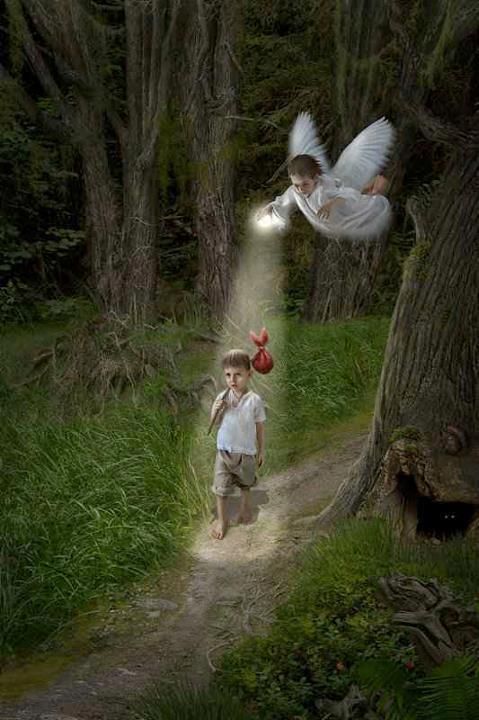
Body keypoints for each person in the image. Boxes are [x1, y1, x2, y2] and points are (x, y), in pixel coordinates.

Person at [256, 114, 394, 241]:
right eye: (296, 185)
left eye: (305, 184)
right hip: (331, 229)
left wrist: (331, 204)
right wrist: (269, 210)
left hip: (351, 218)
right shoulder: (296, 191)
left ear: (315, 178)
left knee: (354, 155)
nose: (300, 189)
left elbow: (348, 194)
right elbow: (283, 203)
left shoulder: (327, 186)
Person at [210, 349, 266, 540]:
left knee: (245, 483)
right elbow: (215, 423)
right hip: (224, 450)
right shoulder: (222, 397)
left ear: (249, 374)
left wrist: (261, 451)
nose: (232, 380)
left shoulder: (254, 401)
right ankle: (222, 520)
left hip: (246, 452)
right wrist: (216, 411)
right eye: (228, 375)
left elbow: (259, 427)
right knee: (221, 488)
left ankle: (245, 509)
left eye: (238, 375)